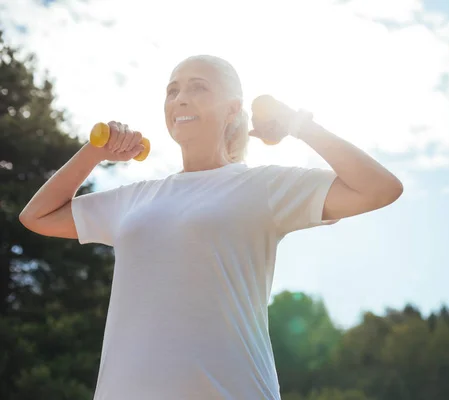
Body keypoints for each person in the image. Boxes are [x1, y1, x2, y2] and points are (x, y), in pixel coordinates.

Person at [19, 55, 403, 400]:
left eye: (198, 87)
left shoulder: (264, 186)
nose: (180, 98)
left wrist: (299, 126)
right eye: (172, 90)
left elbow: (380, 189)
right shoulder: (134, 200)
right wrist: (95, 153)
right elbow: (37, 216)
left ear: (233, 109)